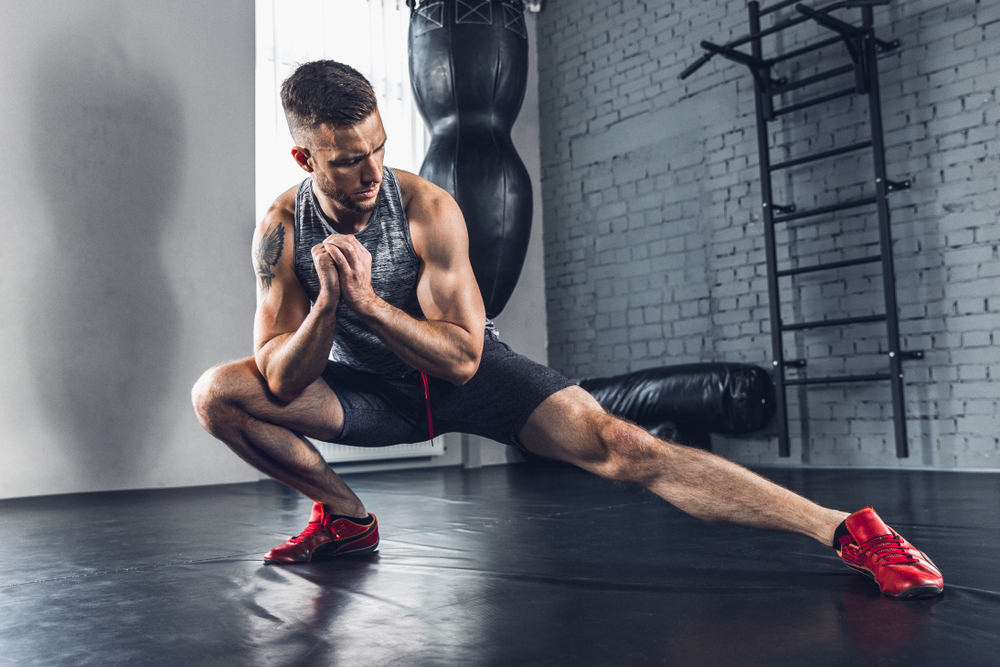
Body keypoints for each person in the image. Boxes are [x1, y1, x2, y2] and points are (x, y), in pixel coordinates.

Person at [191, 60, 943, 600]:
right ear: (304, 156)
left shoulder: (425, 207)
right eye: (351, 160)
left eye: (381, 148)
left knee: (627, 445)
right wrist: (328, 306)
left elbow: (461, 358)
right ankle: (348, 518)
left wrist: (373, 305)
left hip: (457, 370)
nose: (373, 173)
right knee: (218, 393)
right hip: (363, 393)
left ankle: (850, 531)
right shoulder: (282, 230)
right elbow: (281, 378)